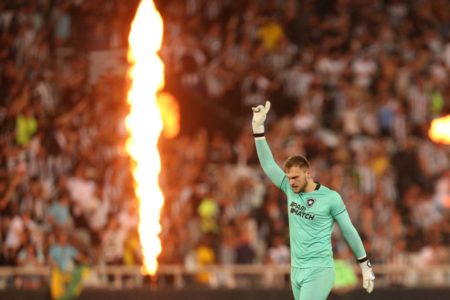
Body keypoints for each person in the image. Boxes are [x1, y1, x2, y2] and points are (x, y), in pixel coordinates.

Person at [251, 101, 375, 300]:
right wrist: (258, 130)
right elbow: (267, 164)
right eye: (289, 178)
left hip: (320, 269)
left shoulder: (330, 197)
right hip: (296, 270)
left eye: (296, 178)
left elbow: (348, 230)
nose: (291, 182)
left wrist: (365, 265)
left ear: (308, 174)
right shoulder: (289, 188)